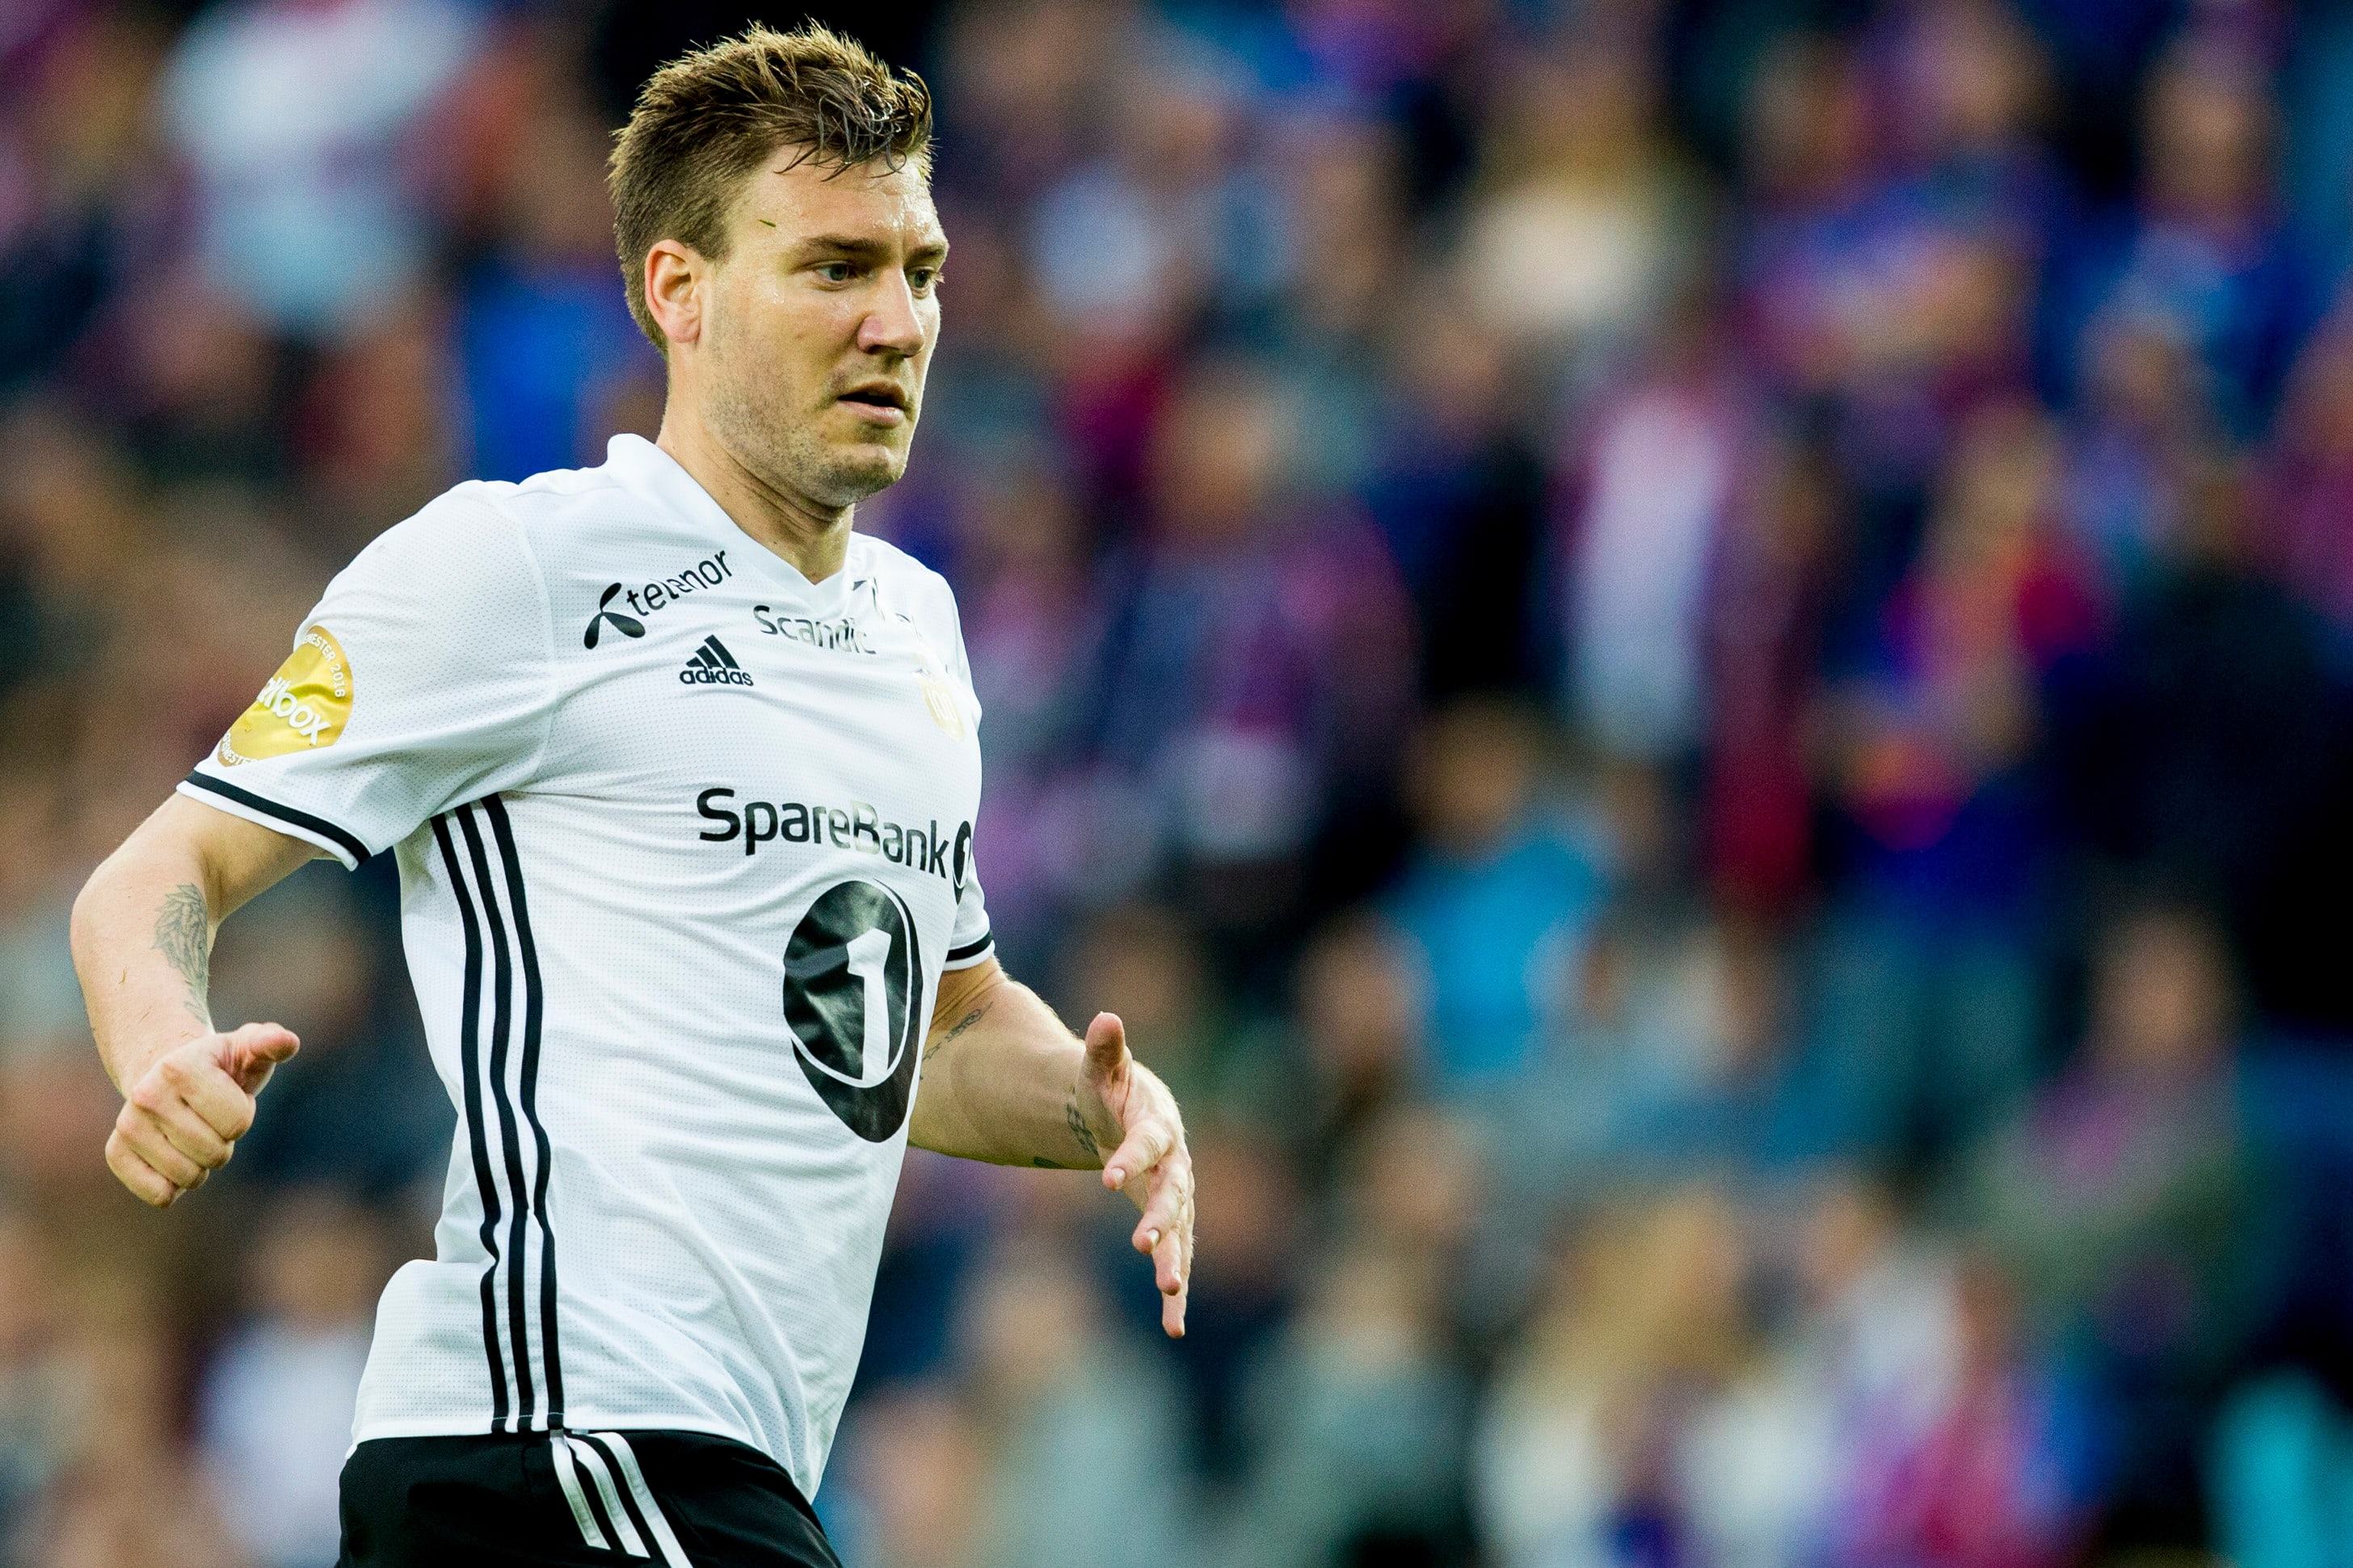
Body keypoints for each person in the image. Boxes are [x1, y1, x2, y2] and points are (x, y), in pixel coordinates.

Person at [66, 25, 1194, 1568]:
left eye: (920, 271)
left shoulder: (917, 634)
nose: (896, 321)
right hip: (553, 1441)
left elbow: (920, 1037)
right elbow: (154, 874)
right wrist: (159, 1046)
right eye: (835, 268)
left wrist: (1102, 1106)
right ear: (681, 290)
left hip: (708, 1463)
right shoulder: (520, 567)